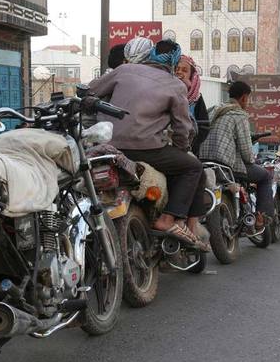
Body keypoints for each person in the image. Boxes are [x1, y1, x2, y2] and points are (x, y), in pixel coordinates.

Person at [88, 39, 208, 248]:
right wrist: (181, 149)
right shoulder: (175, 85)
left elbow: (88, 92)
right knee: (193, 167)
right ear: (172, 61)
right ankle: (168, 219)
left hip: (106, 144)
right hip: (147, 149)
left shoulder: (123, 70)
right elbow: (183, 128)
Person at [198, 81, 273, 229]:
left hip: (204, 162)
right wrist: (252, 159)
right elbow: (246, 152)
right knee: (266, 177)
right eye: (248, 99)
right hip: (227, 167)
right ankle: (261, 218)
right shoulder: (239, 115)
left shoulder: (213, 110)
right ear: (244, 98)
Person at [175, 55, 209, 155]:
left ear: (191, 75)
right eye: (177, 69)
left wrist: (191, 144)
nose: (179, 72)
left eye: (184, 70)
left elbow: (204, 127)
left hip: (189, 150)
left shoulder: (196, 99)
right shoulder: (165, 92)